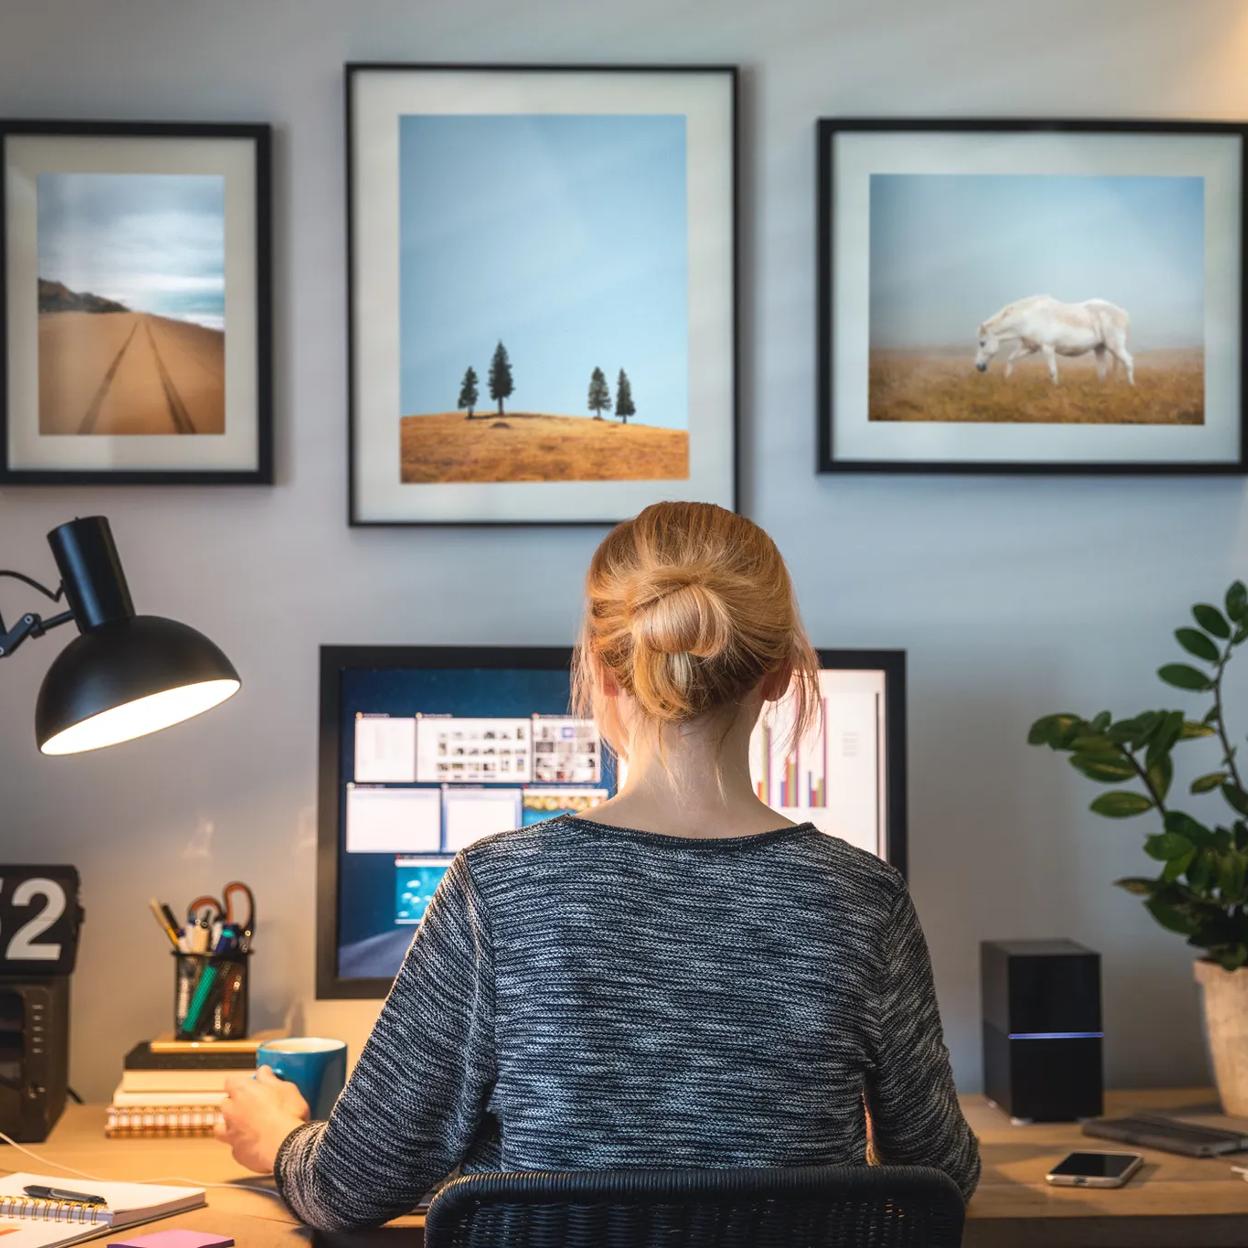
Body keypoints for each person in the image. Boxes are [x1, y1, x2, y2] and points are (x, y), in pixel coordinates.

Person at [216, 501, 980, 1230]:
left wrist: (280, 1137)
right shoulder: (864, 899)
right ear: (780, 674)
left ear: (605, 673)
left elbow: (351, 1187)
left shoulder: (498, 888)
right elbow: (941, 1174)